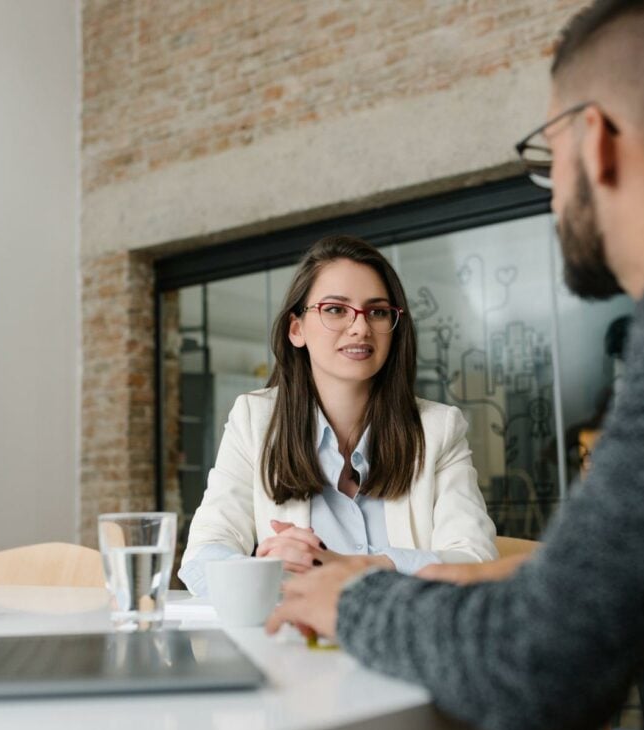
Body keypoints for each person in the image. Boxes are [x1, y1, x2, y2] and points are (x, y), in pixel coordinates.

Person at [266, 1, 644, 730]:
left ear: (594, 137)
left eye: (549, 157)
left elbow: (538, 668)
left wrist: (349, 600)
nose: (550, 193)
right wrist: (487, 575)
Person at [177, 235, 497, 596]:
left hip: (403, 643)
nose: (360, 327)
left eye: (377, 312)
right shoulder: (255, 420)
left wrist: (356, 567)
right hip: (295, 644)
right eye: (335, 309)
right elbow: (202, 554)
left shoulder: (438, 429)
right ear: (296, 329)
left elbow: (476, 562)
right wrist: (266, 569)